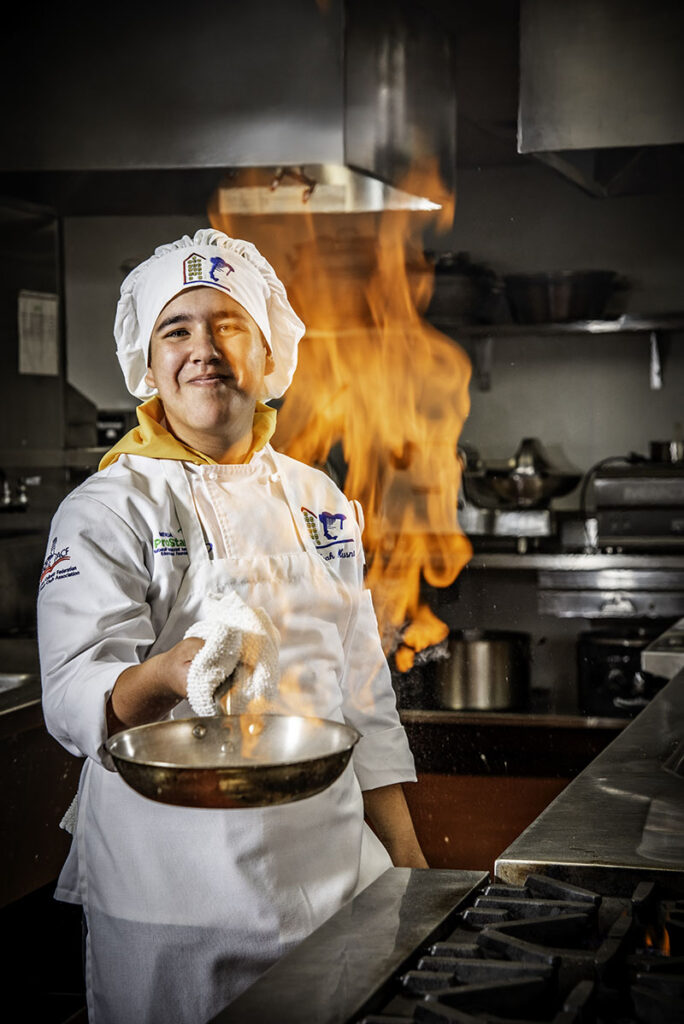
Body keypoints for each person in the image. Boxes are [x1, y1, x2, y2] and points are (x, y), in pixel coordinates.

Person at [38, 229, 427, 1024]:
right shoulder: (108, 508)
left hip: (336, 878)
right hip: (173, 897)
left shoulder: (318, 498)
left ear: (268, 351)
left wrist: (410, 867)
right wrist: (174, 671)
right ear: (148, 367)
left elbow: (364, 698)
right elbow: (73, 695)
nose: (203, 350)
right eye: (176, 332)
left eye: (227, 325)